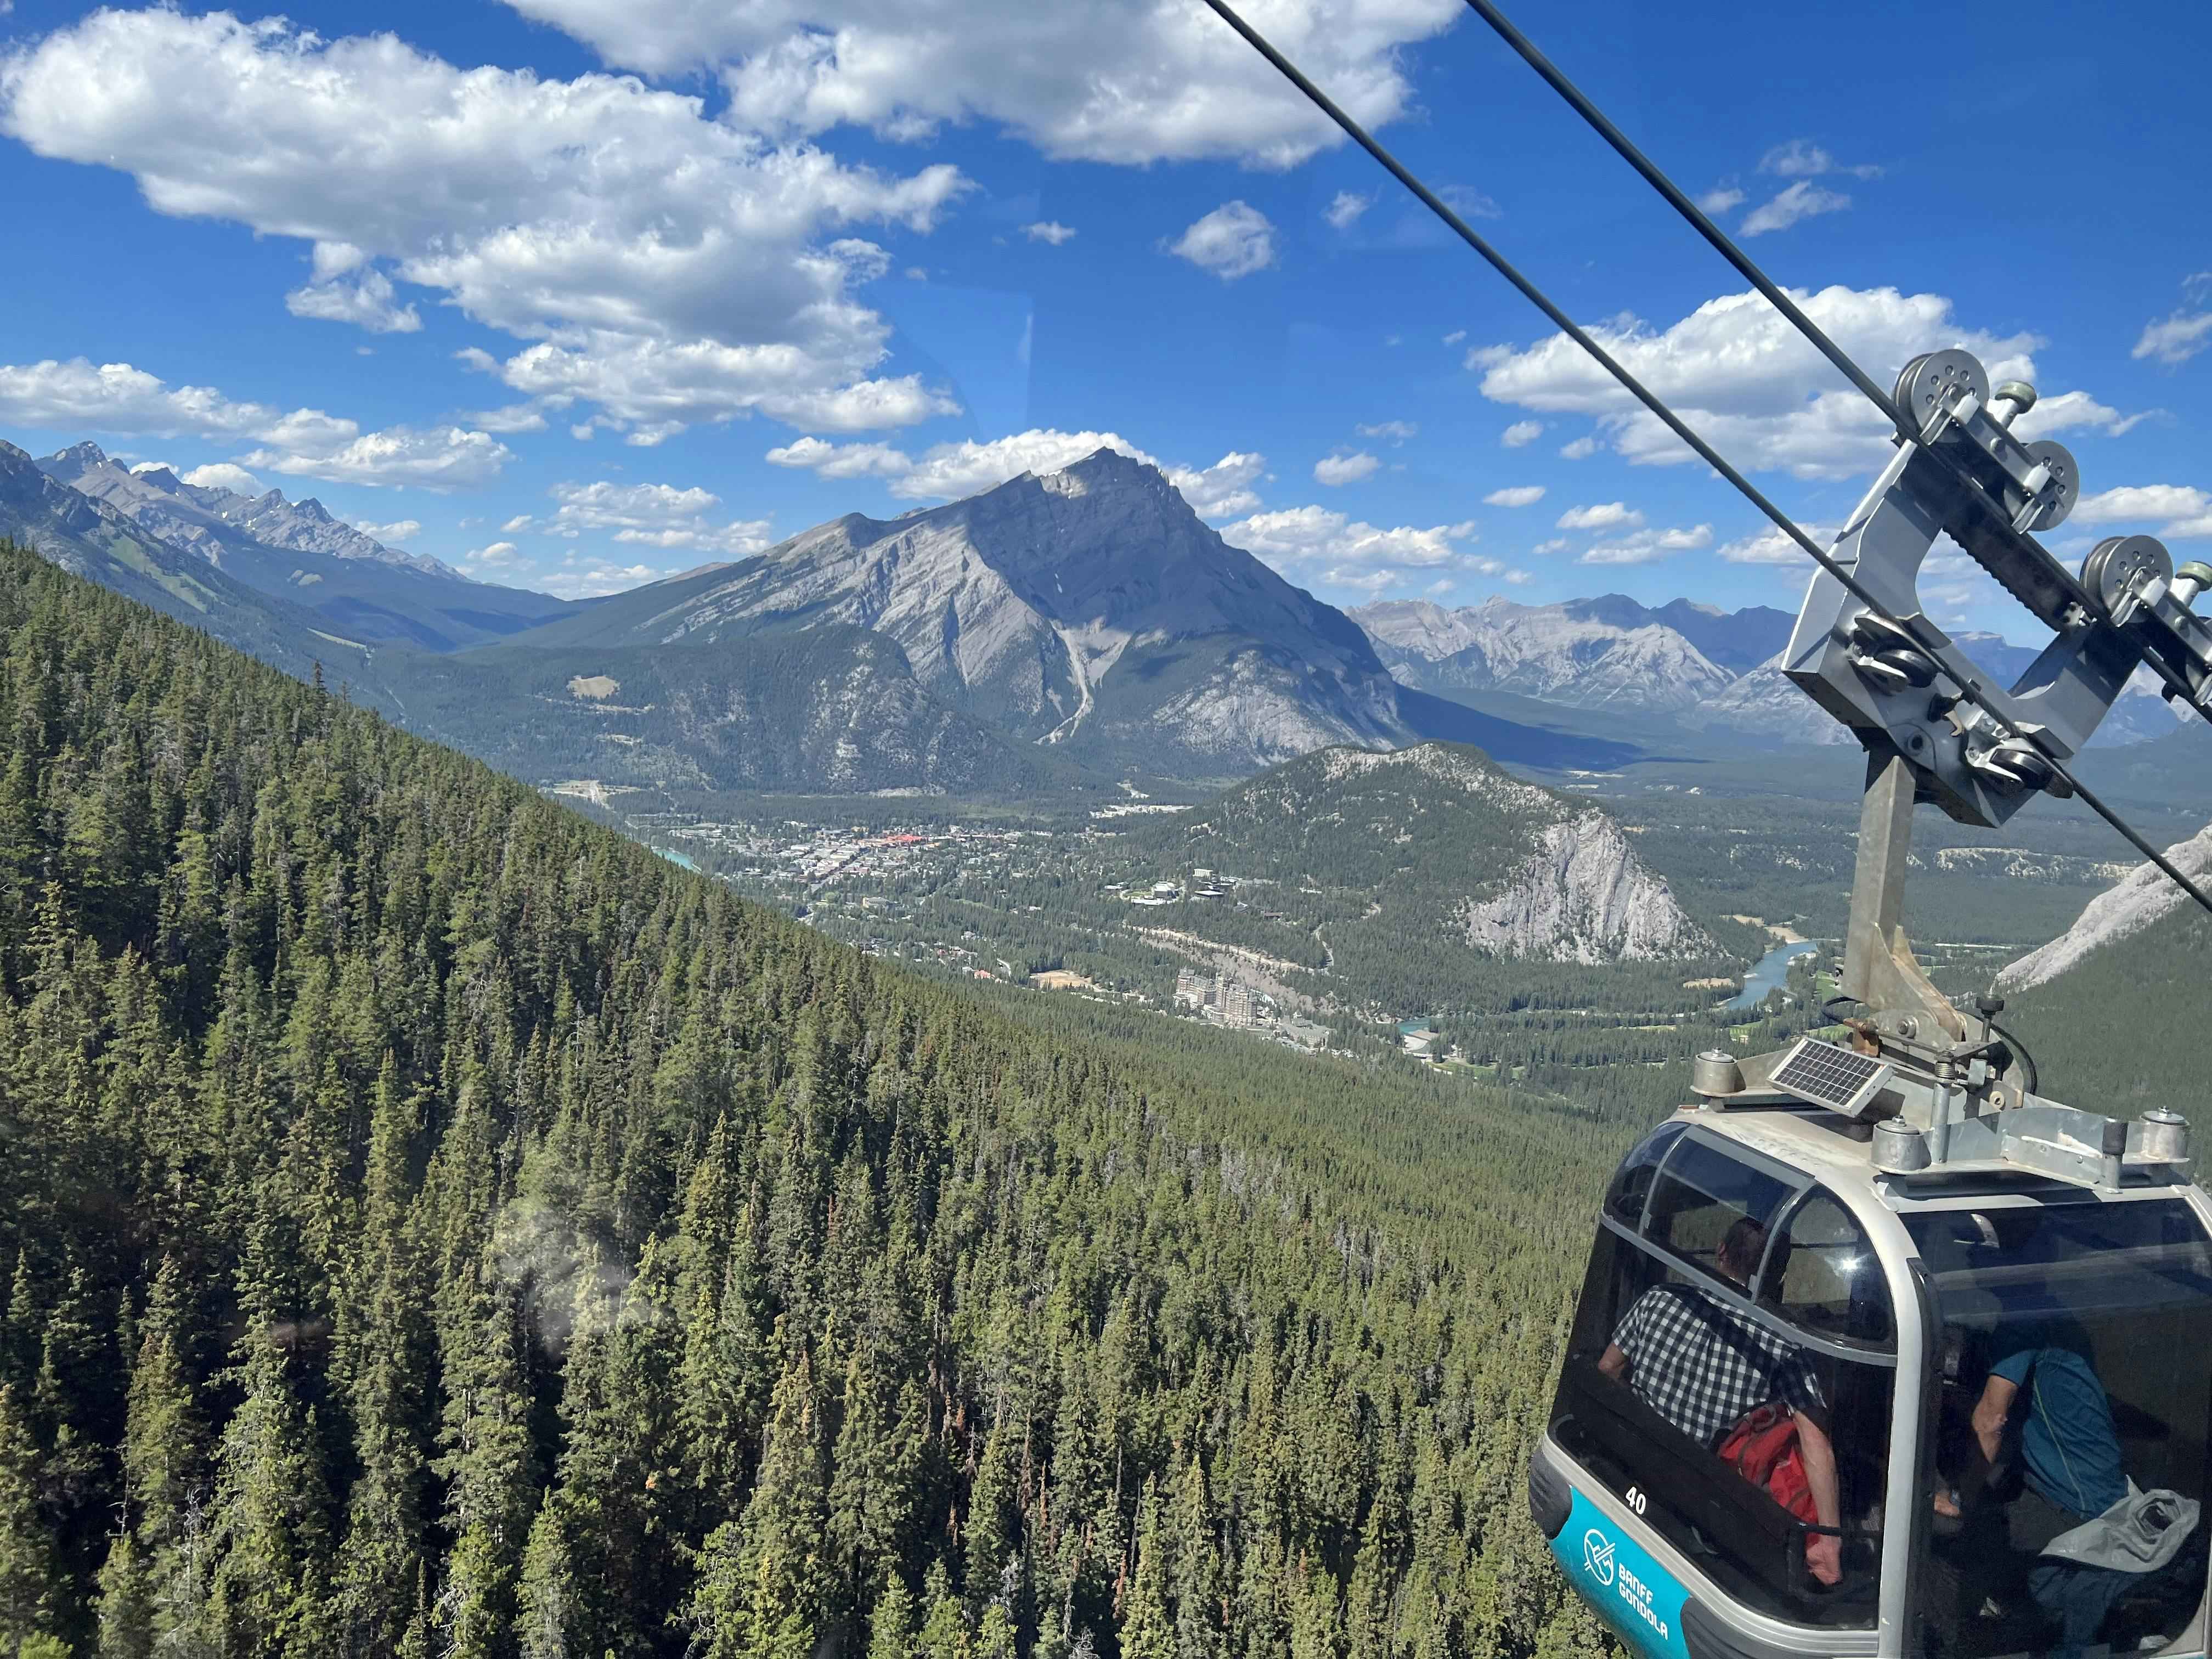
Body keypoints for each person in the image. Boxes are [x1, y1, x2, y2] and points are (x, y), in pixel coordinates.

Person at [1600, 1217, 1844, 1586]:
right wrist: (1829, 1540)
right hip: (1710, 1512)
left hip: (1637, 1472)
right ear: (1779, 1275)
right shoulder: (1785, 1346)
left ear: (1720, 1253)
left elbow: (1608, 1370)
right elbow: (1816, 1445)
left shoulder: (1660, 1300)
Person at [1966, 1335, 2150, 1655]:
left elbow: (1990, 1422)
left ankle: (1972, 1632)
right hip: (2096, 1487)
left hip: (2077, 1506)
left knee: (1948, 1529)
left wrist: (1957, 1500)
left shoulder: (2025, 1321)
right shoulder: (2061, 1318)